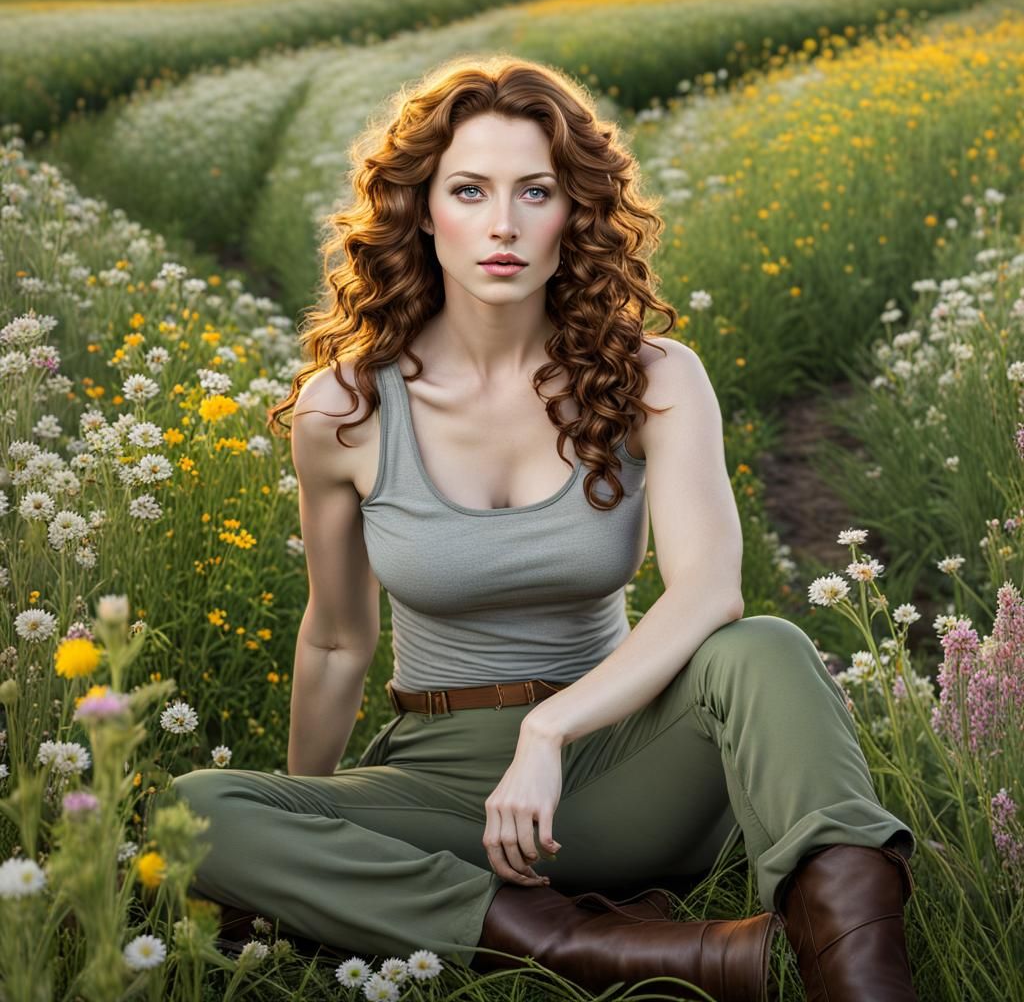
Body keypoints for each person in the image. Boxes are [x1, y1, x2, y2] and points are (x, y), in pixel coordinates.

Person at [170, 54, 919, 1001]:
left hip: (626, 755)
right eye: (470, 190)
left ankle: (858, 970)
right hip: (441, 783)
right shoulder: (345, 411)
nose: (502, 226)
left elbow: (707, 592)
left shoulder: (655, 378)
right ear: (420, 209)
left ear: (578, 212)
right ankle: (599, 946)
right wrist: (299, 829)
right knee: (198, 811)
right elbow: (334, 638)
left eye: (536, 192)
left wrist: (551, 735)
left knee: (764, 645)